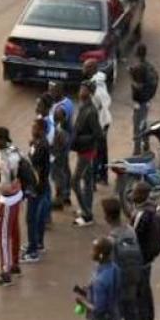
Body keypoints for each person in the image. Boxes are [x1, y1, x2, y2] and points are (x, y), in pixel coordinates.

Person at [0, 126, 24, 287]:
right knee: (15, 231)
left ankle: (5, 272)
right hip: (18, 195)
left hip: (8, 200)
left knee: (3, 237)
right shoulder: (15, 149)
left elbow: (5, 186)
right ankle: (15, 264)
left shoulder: (3, 159)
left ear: (2, 140)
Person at [131, 183, 160, 320]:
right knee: (145, 293)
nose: (132, 195)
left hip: (140, 259)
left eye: (135, 193)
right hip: (149, 258)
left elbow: (132, 236)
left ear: (141, 195)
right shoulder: (156, 209)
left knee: (139, 296)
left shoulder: (142, 214)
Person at [72, 82, 103, 226]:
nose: (80, 91)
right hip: (82, 150)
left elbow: (98, 134)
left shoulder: (91, 111)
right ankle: (86, 208)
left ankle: (87, 214)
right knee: (88, 180)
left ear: (89, 92)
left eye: (83, 89)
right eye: (80, 88)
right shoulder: (83, 105)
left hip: (87, 151)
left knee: (75, 181)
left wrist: (80, 139)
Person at [22, 117, 52, 263]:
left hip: (36, 187)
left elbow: (33, 164)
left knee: (31, 218)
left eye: (34, 128)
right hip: (41, 186)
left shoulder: (41, 146)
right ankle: (38, 243)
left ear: (40, 130)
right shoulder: (40, 143)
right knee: (38, 217)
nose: (32, 130)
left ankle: (33, 251)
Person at [77, 238, 122, 320]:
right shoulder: (114, 268)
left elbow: (98, 309)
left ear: (100, 255)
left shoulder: (100, 281)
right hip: (114, 315)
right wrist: (89, 290)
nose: (91, 253)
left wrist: (83, 302)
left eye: (93, 250)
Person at [129, 45, 158, 153]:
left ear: (136, 54)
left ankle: (136, 150)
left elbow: (138, 86)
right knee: (143, 122)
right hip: (147, 99)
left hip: (140, 101)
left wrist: (131, 77)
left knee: (137, 126)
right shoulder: (149, 66)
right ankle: (146, 144)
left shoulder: (138, 68)